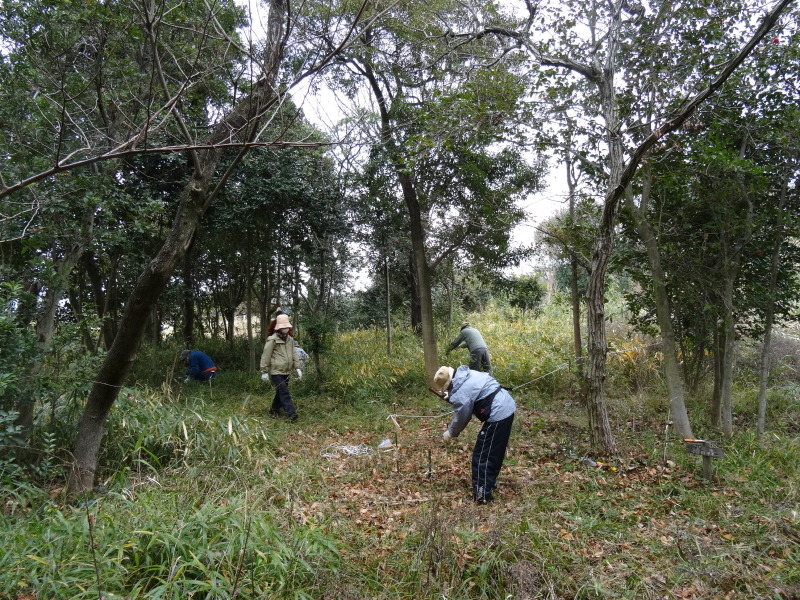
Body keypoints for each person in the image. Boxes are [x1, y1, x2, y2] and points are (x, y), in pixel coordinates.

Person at [434, 365, 515, 504]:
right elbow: (470, 392)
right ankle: (489, 483)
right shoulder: (468, 374)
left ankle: (482, 495)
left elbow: (463, 416)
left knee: (482, 456)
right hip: (507, 406)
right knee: (494, 452)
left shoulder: (462, 392)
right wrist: (453, 394)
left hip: (498, 414)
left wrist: (451, 432)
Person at [260, 313, 302, 422]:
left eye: (287, 327)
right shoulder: (272, 340)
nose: (286, 329)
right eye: (283, 327)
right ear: (279, 328)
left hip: (287, 371)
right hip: (276, 371)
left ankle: (274, 409)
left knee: (280, 392)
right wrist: (264, 371)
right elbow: (266, 355)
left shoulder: (290, 340)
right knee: (284, 392)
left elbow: (294, 353)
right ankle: (292, 413)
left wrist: (297, 367)